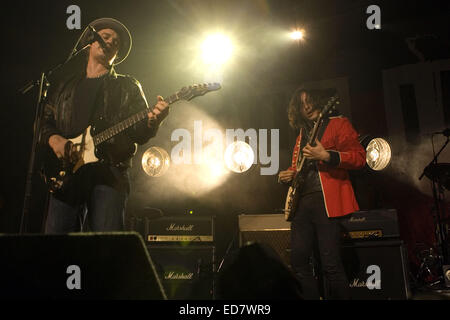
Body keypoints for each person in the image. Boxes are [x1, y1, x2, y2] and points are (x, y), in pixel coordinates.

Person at [41, 18, 169, 233]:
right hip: (67, 171)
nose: (109, 41)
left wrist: (154, 120)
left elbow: (140, 133)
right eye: (105, 36)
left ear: (116, 55)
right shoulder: (65, 86)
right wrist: (56, 141)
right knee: (55, 243)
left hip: (109, 172)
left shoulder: (127, 86)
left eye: (115, 42)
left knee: (107, 245)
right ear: (91, 42)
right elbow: (44, 121)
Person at [278, 87, 366, 299]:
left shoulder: (339, 123)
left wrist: (326, 155)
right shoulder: (302, 134)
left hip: (327, 202)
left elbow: (359, 157)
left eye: (309, 101)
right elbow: (298, 168)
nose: (306, 106)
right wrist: (288, 174)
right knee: (299, 262)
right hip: (302, 204)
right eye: (301, 104)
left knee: (330, 265)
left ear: (320, 101)